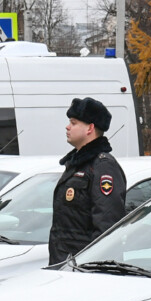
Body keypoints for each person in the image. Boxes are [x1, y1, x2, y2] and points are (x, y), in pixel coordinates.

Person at [48, 97, 127, 265]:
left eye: (74, 123)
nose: (67, 127)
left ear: (90, 128)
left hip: (84, 267)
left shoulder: (103, 167)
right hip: (65, 264)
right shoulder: (77, 164)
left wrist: (94, 268)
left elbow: (107, 226)